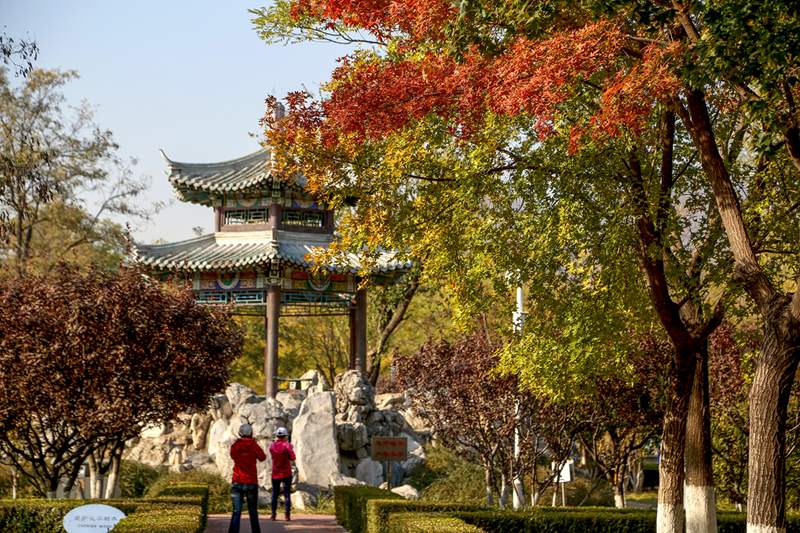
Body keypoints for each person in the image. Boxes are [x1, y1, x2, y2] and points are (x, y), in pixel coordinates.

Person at [228, 423, 266, 533]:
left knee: (236, 511)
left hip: (237, 481)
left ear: (240, 433)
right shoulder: (254, 445)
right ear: (251, 433)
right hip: (251, 482)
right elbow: (262, 458)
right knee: (253, 511)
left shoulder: (235, 446)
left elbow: (233, 456)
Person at [269, 426, 296, 521]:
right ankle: (287, 515)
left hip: (275, 473)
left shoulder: (272, 445)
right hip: (286, 473)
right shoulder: (287, 445)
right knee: (287, 494)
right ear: (285, 436)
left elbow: (272, 455)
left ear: (277, 436)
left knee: (274, 494)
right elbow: (293, 458)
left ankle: (273, 515)